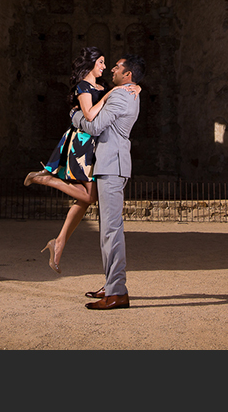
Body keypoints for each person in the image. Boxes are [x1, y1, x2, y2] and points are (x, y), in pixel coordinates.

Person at [23, 47, 140, 273]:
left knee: (86, 199)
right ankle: (47, 180)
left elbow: (124, 88)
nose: (105, 67)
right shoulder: (83, 87)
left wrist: (136, 85)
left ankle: (59, 242)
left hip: (96, 144)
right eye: (102, 63)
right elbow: (88, 116)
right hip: (83, 142)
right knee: (90, 195)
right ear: (92, 64)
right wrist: (107, 96)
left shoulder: (103, 86)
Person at [72, 54, 144, 310]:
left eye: (117, 67)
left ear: (128, 75)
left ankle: (117, 292)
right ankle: (111, 283)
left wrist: (74, 116)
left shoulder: (121, 95)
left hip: (112, 165)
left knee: (111, 230)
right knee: (107, 230)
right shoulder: (128, 92)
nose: (111, 69)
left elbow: (94, 126)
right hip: (112, 164)